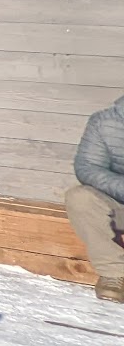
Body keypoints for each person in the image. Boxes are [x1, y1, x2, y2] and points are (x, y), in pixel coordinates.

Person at [66, 93, 124, 303]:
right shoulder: (104, 122)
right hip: (118, 206)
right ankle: (113, 274)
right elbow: (88, 168)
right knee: (79, 197)